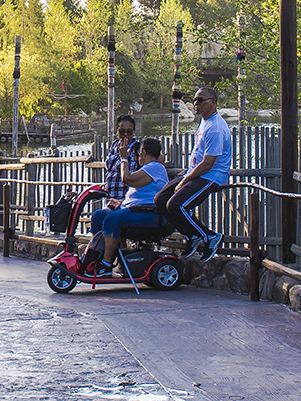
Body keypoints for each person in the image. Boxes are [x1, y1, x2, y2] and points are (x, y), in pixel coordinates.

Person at [161, 86, 231, 258]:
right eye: (195, 100)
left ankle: (209, 236)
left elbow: (208, 164)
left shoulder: (215, 128)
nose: (196, 104)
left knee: (177, 205)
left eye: (201, 100)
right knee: (161, 199)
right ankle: (192, 235)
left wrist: (184, 181)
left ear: (213, 102)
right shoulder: (205, 120)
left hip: (211, 176)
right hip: (196, 173)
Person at [87, 137, 170, 273]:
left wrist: (124, 158)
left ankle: (106, 264)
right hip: (135, 209)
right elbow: (140, 193)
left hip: (149, 214)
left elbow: (127, 179)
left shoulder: (155, 167)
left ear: (143, 153)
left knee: (112, 220)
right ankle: (99, 255)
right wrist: (121, 203)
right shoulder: (148, 169)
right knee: (98, 217)